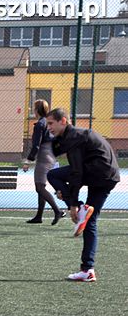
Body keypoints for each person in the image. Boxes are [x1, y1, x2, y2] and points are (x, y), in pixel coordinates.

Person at [45, 107, 121, 282]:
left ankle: (80, 209)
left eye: (51, 123)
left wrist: (72, 204)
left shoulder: (73, 138)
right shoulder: (78, 135)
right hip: (109, 177)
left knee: (53, 175)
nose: (49, 127)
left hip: (98, 172)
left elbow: (77, 173)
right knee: (89, 220)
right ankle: (87, 270)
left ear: (63, 121)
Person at [23, 99, 64, 225]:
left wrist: (28, 161)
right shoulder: (48, 123)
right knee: (42, 186)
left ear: (37, 110)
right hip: (51, 155)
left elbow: (36, 145)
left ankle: (57, 211)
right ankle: (39, 216)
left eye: (34, 108)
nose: (32, 110)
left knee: (39, 187)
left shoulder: (40, 124)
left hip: (44, 157)